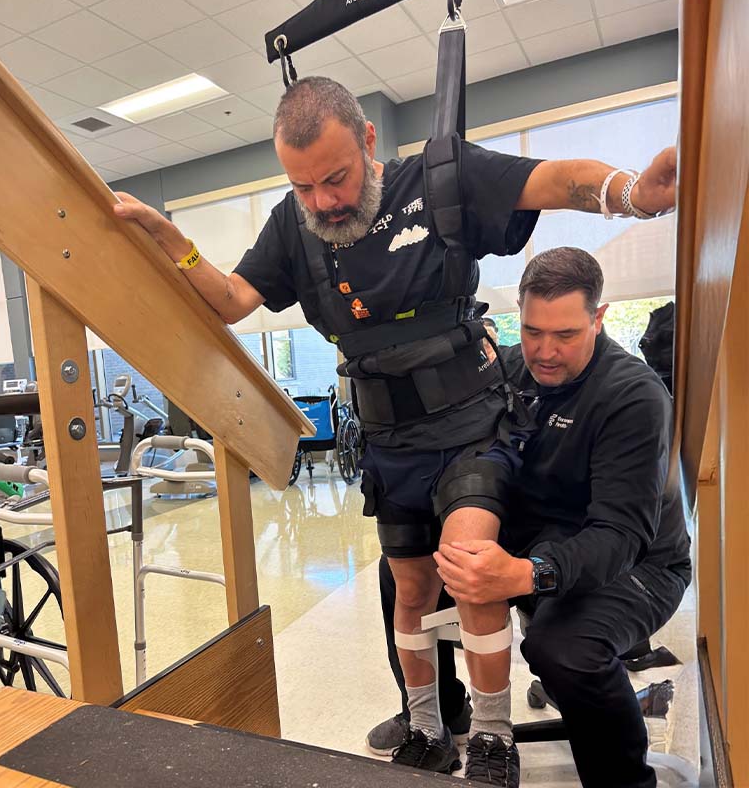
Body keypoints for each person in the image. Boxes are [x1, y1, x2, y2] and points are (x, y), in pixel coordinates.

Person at [112, 77, 677, 784]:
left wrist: (635, 194)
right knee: (409, 591)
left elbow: (555, 180)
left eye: (336, 178)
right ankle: (429, 725)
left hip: (472, 430)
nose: (323, 201)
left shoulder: (440, 179)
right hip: (391, 445)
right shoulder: (295, 224)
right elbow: (232, 300)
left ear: (370, 142)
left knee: (470, 572)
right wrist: (173, 240)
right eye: (305, 185)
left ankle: (493, 739)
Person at [373, 247, 691, 788]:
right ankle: (438, 721)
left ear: (599, 316)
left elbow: (620, 535)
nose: (545, 351)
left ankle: (623, 780)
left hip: (636, 562)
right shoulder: (508, 369)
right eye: (532, 330)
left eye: (565, 335)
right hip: (532, 539)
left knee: (564, 650)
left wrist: (523, 575)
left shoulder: (633, 397)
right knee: (406, 573)